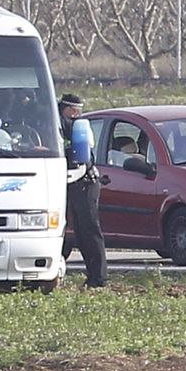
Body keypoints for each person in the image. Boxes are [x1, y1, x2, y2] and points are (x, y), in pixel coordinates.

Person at [59, 93, 107, 288]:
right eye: (74, 111)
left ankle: (99, 278)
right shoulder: (69, 125)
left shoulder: (70, 126)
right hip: (77, 181)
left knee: (88, 231)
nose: (77, 114)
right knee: (79, 232)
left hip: (85, 182)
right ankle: (94, 277)